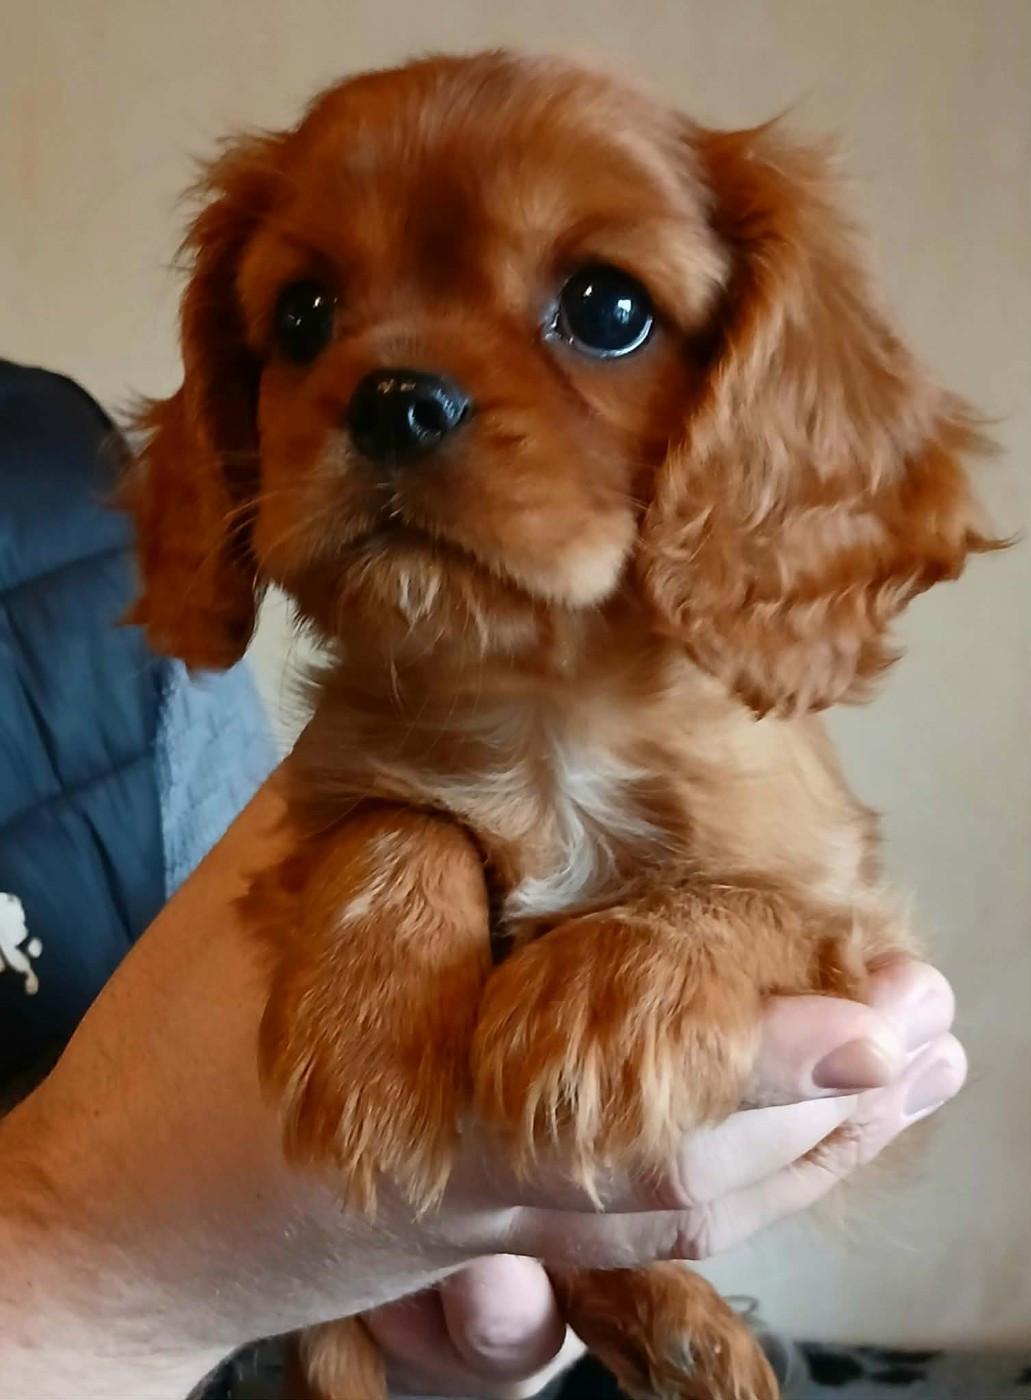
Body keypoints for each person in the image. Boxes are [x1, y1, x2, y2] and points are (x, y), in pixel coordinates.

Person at [0, 363, 966, 1400]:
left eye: (603, 314)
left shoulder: (46, 456)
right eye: (309, 315)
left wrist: (466, 1246)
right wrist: (94, 1256)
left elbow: (218, 933)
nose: (392, 390)